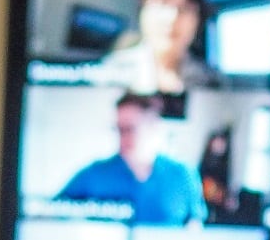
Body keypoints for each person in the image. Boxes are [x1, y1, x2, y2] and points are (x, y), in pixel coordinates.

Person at [56, 91, 208, 225]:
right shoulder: (94, 174)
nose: (123, 137)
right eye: (119, 129)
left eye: (129, 129)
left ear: (153, 126)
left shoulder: (182, 175)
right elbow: (52, 215)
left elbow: (194, 228)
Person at [94, 0, 219, 94]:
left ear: (198, 21)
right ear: (143, 13)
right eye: (162, 5)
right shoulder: (108, 73)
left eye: (184, 8)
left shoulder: (213, 82)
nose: (172, 18)